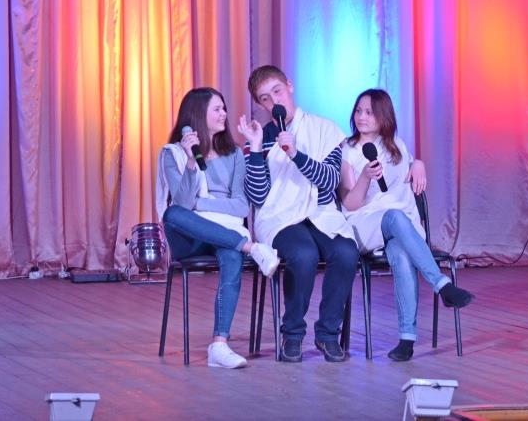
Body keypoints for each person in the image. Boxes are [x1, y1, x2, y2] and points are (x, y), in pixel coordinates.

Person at [338, 88, 473, 362]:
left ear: (383, 116)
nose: (361, 117)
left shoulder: (396, 145)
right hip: (365, 225)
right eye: (359, 111)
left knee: (401, 255)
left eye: (369, 112)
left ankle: (406, 340)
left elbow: (411, 165)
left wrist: (418, 163)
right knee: (394, 216)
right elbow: (350, 204)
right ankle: (441, 285)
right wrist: (365, 177)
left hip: (402, 228)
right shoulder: (347, 150)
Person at [237, 65, 360, 363]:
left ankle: (328, 334)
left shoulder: (324, 129)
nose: (274, 102)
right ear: (260, 104)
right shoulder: (259, 136)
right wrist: (256, 149)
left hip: (321, 212)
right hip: (279, 217)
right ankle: (292, 334)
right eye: (265, 98)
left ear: (289, 86)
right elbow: (258, 197)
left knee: (346, 252)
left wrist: (295, 154)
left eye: (277, 91)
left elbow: (330, 180)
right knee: (303, 255)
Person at [158, 87, 281, 369]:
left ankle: (219, 345)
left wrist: (201, 204)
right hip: (189, 238)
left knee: (231, 254)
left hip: (225, 232)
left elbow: (240, 207)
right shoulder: (173, 154)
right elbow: (182, 205)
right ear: (197, 114)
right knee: (173, 213)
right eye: (217, 109)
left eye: (224, 108)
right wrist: (191, 162)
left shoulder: (234, 153)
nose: (224, 114)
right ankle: (253, 248)